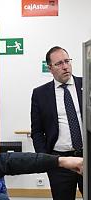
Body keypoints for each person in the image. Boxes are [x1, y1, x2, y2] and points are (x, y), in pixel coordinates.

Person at [31, 46, 83, 200]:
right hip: (59, 162)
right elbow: (37, 131)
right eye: (59, 63)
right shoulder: (40, 94)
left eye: (67, 61)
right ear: (50, 68)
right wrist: (44, 159)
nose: (65, 66)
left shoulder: (86, 85)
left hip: (87, 156)